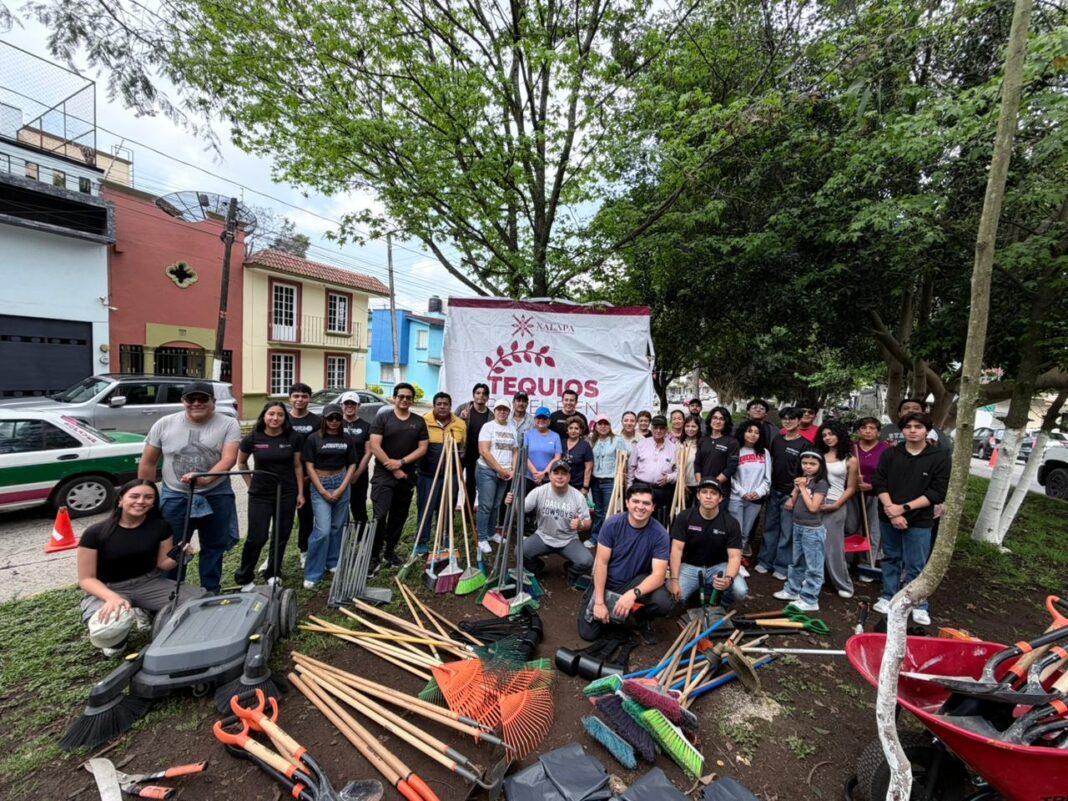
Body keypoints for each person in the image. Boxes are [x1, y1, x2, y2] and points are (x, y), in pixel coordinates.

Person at [77, 480, 205, 656]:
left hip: (148, 582)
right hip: (110, 587)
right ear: (121, 500)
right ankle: (116, 642)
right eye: (134, 496)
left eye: (148, 497)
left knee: (200, 601)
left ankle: (145, 610)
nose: (141, 501)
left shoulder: (160, 527)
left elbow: (163, 564)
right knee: (108, 627)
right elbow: (86, 579)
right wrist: (111, 598)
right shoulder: (95, 533)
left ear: (153, 503)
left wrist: (181, 556)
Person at [138, 380, 241, 594]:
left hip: (216, 493)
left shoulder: (228, 423)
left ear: (213, 402)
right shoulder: (164, 424)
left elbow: (229, 458)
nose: (196, 403)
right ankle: (172, 592)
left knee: (214, 546)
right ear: (183, 401)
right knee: (173, 548)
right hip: (175, 495)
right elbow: (148, 462)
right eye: (190, 399)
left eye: (202, 399)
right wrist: (146, 496)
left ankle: (210, 590)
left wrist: (206, 478)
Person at [871, 412, 951, 626]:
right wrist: (891, 508)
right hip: (888, 515)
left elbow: (937, 492)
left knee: (916, 564)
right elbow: (880, 482)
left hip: (919, 519)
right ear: (902, 430)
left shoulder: (939, 457)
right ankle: (888, 595)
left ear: (927, 430)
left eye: (918, 426)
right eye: (908, 426)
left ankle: (918, 605)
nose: (913, 430)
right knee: (890, 558)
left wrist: (902, 509)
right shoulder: (890, 454)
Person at [580, 482, 673, 644]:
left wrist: (632, 594)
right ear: (627, 503)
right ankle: (609, 607)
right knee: (588, 634)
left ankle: (641, 618)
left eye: (646, 503)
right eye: (636, 501)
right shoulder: (611, 525)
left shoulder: (660, 534)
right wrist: (600, 602)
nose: (640, 507)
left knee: (663, 602)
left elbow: (659, 575)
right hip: (609, 582)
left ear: (653, 507)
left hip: (635, 583)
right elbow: (601, 564)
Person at [235, 402, 304, 590]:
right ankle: (245, 576)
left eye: (280, 415)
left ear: (285, 418)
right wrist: (251, 485)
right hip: (260, 494)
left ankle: (273, 572)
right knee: (257, 537)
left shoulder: (293, 438)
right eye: (271, 414)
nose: (275, 418)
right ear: (264, 416)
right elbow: (241, 463)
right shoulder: (252, 438)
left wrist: (300, 492)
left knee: (281, 535)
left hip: (286, 493)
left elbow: (298, 466)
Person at [369, 383, 430, 572]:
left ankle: (390, 552)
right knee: (379, 516)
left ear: (412, 400)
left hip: (406, 476)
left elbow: (423, 448)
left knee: (399, 516)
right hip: (383, 477)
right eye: (401, 396)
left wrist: (401, 462)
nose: (404, 400)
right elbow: (375, 446)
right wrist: (393, 467)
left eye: (408, 397)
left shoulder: (418, 422)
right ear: (394, 398)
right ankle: (373, 556)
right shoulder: (383, 418)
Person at [302, 404, 358, 589]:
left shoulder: (347, 439)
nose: (334, 421)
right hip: (321, 484)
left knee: (337, 526)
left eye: (337, 418)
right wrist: (322, 490)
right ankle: (313, 572)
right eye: (330, 418)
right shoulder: (313, 439)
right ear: (324, 419)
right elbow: (309, 466)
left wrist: (343, 487)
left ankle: (332, 561)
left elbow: (351, 464)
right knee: (323, 529)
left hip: (341, 482)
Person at [668, 478, 747, 608]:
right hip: (690, 566)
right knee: (676, 598)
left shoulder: (731, 523)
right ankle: (696, 592)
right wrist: (675, 580)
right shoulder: (684, 517)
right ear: (698, 495)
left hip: (719, 567)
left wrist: (728, 579)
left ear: (720, 498)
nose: (708, 496)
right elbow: (676, 550)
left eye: (714, 493)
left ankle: (724, 605)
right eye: (704, 492)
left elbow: (735, 556)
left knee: (740, 590)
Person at [517, 459, 594, 580]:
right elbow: (521, 509)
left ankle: (570, 571)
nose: (560, 477)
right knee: (520, 551)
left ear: (569, 477)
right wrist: (512, 503)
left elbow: (588, 523)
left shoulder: (578, 496)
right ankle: (536, 568)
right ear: (550, 475)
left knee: (586, 561)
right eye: (556, 473)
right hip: (543, 536)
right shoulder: (539, 491)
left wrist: (581, 524)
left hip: (568, 540)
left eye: (563, 474)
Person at [773, 450, 829, 612]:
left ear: (820, 466)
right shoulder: (802, 480)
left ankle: (810, 598)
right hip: (798, 525)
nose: (808, 467)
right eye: (805, 463)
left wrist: (803, 488)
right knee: (796, 560)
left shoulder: (821, 483)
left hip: (813, 529)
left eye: (813, 464)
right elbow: (790, 504)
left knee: (813, 566)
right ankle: (793, 589)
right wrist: (797, 489)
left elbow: (813, 507)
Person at [756, 407, 809, 579]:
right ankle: (765, 561)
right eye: (785, 419)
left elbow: (805, 474)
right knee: (770, 527)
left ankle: (782, 567)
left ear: (799, 421)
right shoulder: (777, 440)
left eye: (792, 419)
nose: (787, 421)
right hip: (774, 490)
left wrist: (794, 496)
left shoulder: (805, 444)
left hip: (790, 493)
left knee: (787, 532)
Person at [416, 392, 467, 554]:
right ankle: (422, 542)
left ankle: (445, 537)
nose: (442, 406)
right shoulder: (424, 421)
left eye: (446, 403)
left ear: (450, 406)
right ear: (434, 405)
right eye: (439, 403)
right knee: (426, 508)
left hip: (450, 475)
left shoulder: (459, 424)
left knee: (447, 508)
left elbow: (462, 449)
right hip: (427, 475)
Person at [817, 420, 859, 599]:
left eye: (831, 434)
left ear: (840, 435)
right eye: (824, 435)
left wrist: (836, 505)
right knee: (812, 544)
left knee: (833, 547)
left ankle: (843, 584)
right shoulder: (817, 455)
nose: (828, 438)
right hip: (814, 503)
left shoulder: (850, 460)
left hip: (836, 504)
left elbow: (851, 488)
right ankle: (813, 580)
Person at [476, 398, 518, 553]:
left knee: (496, 504)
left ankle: (491, 532)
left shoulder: (512, 428)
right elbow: (484, 451)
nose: (502, 412)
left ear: (509, 412)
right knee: (486, 505)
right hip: (488, 471)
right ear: (495, 411)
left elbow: (515, 451)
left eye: (505, 409)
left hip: (505, 473)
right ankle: (481, 538)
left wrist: (512, 469)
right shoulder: (488, 427)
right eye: (499, 409)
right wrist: (500, 470)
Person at [287, 383, 321, 568]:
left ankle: (304, 550)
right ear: (290, 398)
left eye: (304, 396)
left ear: (309, 398)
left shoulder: (317, 422)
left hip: (309, 477)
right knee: (281, 519)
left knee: (306, 516)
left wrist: (310, 475)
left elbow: (320, 449)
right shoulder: (282, 419)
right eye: (296, 396)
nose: (300, 400)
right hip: (285, 478)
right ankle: (275, 553)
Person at [853, 417, 890, 581]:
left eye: (872, 428)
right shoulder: (852, 448)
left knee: (872, 531)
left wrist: (872, 485)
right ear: (859, 431)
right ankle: (847, 562)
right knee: (852, 528)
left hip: (876, 495)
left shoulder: (886, 449)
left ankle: (868, 565)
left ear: (878, 432)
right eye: (864, 428)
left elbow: (890, 474)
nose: (868, 431)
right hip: (852, 494)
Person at [729, 420, 771, 554]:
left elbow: (767, 478)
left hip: (755, 499)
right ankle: (733, 561)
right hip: (737, 497)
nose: (753, 435)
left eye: (756, 432)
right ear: (743, 432)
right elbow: (729, 475)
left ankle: (739, 560)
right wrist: (742, 492)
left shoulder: (764, 452)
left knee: (746, 533)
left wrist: (758, 492)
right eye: (749, 431)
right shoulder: (736, 449)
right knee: (736, 531)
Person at [627, 415, 677, 526]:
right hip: (641, 487)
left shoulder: (674, 448)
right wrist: (629, 487)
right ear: (651, 428)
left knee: (660, 520)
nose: (658, 431)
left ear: (666, 430)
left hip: (662, 490)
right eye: (655, 427)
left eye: (662, 428)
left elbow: (678, 471)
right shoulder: (641, 444)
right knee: (638, 517)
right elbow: (631, 466)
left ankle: (656, 542)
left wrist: (669, 478)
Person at [589, 415, 628, 548]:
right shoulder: (592, 440)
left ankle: (607, 539)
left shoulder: (617, 440)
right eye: (600, 424)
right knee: (598, 511)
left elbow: (624, 459)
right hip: (595, 480)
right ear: (596, 426)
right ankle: (595, 537)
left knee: (608, 511)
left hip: (610, 480)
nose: (603, 426)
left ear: (610, 426)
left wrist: (621, 480)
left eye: (606, 424)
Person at [339, 392, 372, 528]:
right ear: (341, 405)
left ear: (359, 406)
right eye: (346, 403)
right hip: (338, 473)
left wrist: (357, 473)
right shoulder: (334, 423)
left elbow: (369, 451)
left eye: (353, 403)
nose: (349, 406)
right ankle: (342, 539)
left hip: (359, 474)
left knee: (359, 508)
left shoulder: (366, 426)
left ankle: (361, 540)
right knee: (341, 509)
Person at [457, 383, 492, 513]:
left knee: (471, 484)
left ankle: (467, 514)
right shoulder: (463, 408)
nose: (480, 396)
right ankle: (448, 514)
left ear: (487, 397)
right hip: (460, 452)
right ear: (473, 395)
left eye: (484, 393)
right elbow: (452, 425)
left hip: (478, 455)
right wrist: (461, 418)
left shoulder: (491, 416)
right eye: (478, 393)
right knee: (454, 482)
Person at [696, 406, 740, 498]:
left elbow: (731, 467)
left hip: (721, 490)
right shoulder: (702, 440)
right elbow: (697, 464)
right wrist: (701, 484)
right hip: (703, 488)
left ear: (726, 422)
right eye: (715, 418)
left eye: (722, 419)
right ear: (710, 420)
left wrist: (714, 484)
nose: (718, 421)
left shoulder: (732, 442)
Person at [524, 407, 562, 488]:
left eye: (544, 418)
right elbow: (524, 456)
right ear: (534, 420)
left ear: (549, 421)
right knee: (528, 501)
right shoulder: (528, 435)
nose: (541, 420)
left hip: (548, 478)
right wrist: (535, 473)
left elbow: (557, 457)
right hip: (529, 478)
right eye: (539, 418)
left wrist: (544, 473)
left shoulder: (555, 436)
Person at [563, 416, 594, 495]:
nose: (573, 431)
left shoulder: (585, 446)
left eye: (576, 429)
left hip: (578, 486)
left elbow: (588, 468)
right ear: (567, 430)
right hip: (562, 484)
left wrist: (585, 487)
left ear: (580, 431)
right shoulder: (561, 443)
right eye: (571, 428)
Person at [676, 415, 703, 506]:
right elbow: (677, 466)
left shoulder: (702, 444)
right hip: (683, 485)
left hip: (699, 483)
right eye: (687, 426)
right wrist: (682, 483)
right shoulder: (680, 444)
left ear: (698, 428)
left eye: (693, 426)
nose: (690, 429)